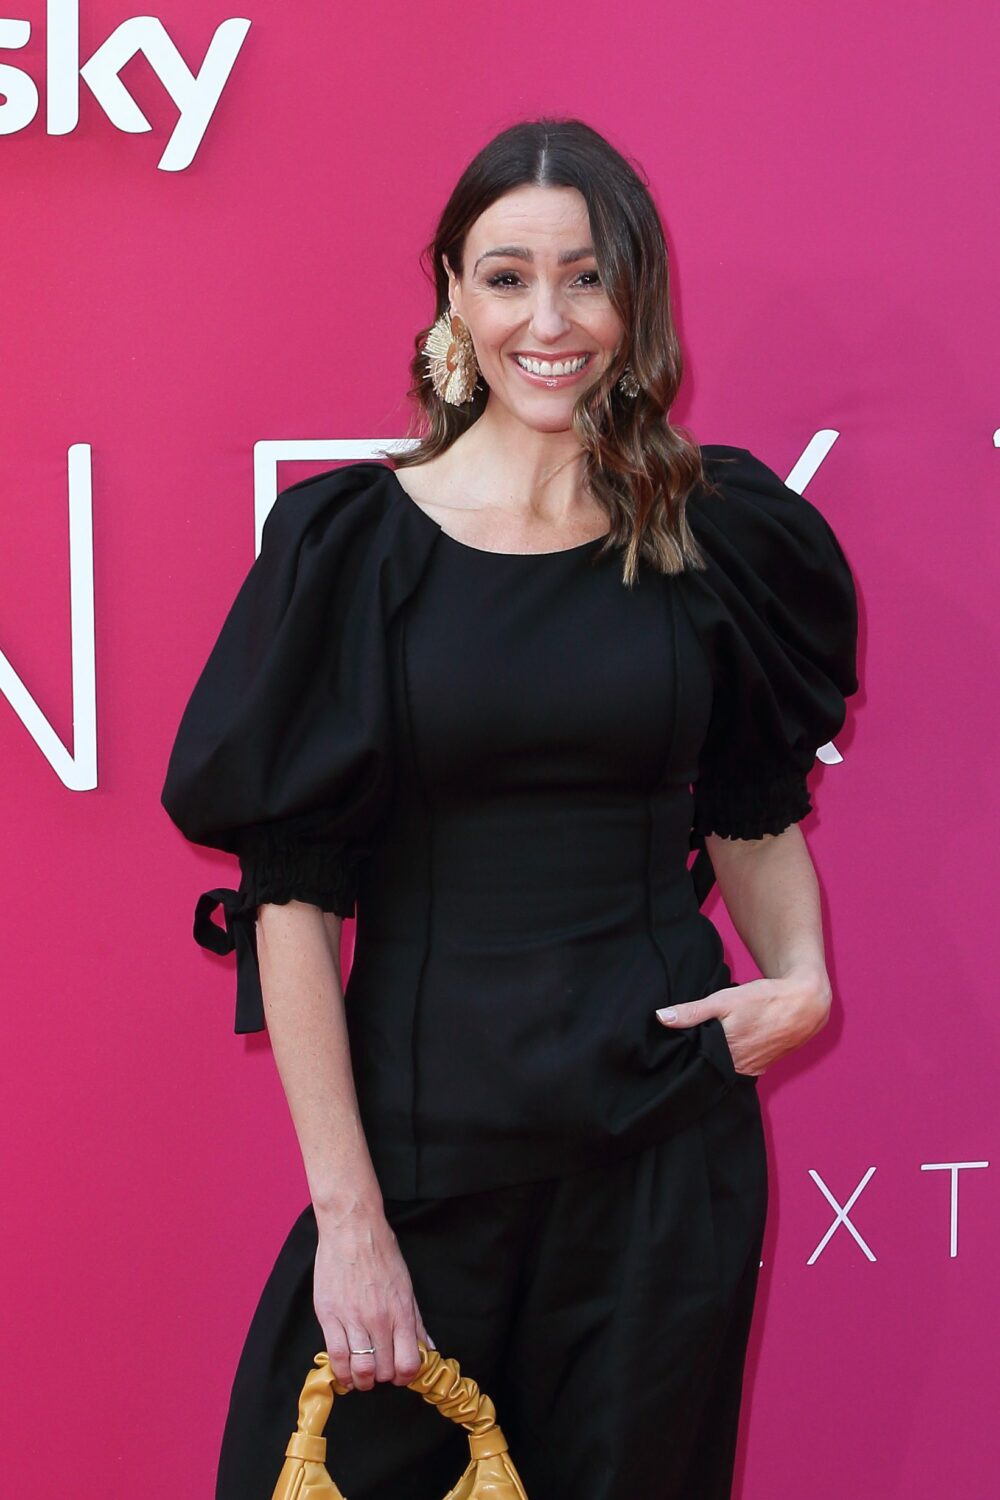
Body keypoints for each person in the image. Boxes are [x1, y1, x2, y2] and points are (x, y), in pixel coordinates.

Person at [161, 117, 859, 1500]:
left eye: (587, 278)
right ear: (451, 296)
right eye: (507, 276)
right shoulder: (354, 550)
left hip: (661, 1157)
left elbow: (751, 807)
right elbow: (292, 900)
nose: (551, 320)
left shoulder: (709, 536)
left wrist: (805, 980)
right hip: (425, 1166)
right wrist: (349, 1222)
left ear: (636, 298)